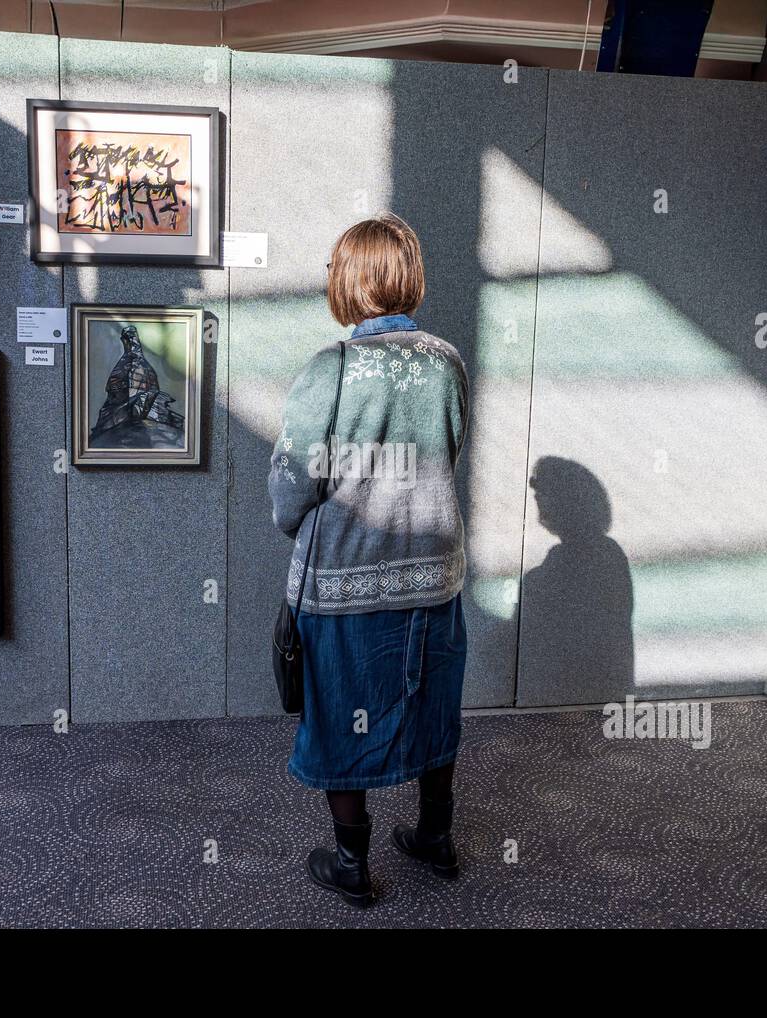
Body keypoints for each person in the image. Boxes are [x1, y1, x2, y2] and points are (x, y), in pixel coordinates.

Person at [268, 213, 470, 907]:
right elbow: (449, 450)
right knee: (432, 707)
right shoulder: (447, 360)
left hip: (347, 584)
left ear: (349, 281)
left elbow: (292, 485)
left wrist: (297, 518)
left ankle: (352, 862)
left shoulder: (334, 368)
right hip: (433, 576)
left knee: (337, 714)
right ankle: (435, 837)